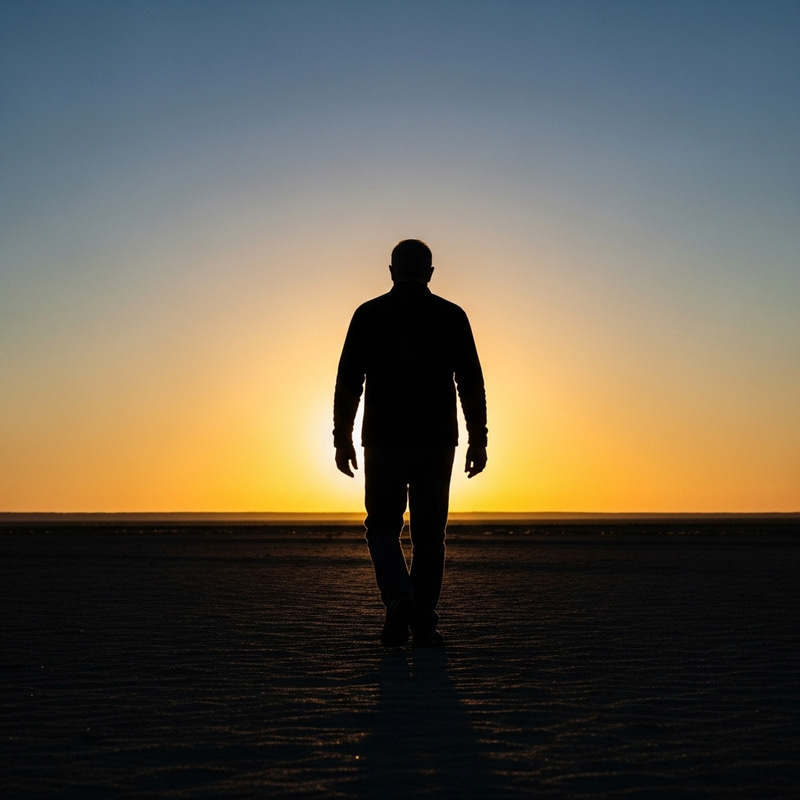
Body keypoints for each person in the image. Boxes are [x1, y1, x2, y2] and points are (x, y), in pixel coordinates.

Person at [333, 239, 487, 647]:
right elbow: (470, 381)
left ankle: (400, 598)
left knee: (382, 526)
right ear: (430, 273)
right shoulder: (451, 315)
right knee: (429, 533)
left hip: (383, 440)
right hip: (437, 441)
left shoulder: (369, 314)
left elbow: (349, 382)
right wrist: (478, 439)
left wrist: (342, 437)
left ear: (391, 271)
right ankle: (422, 621)